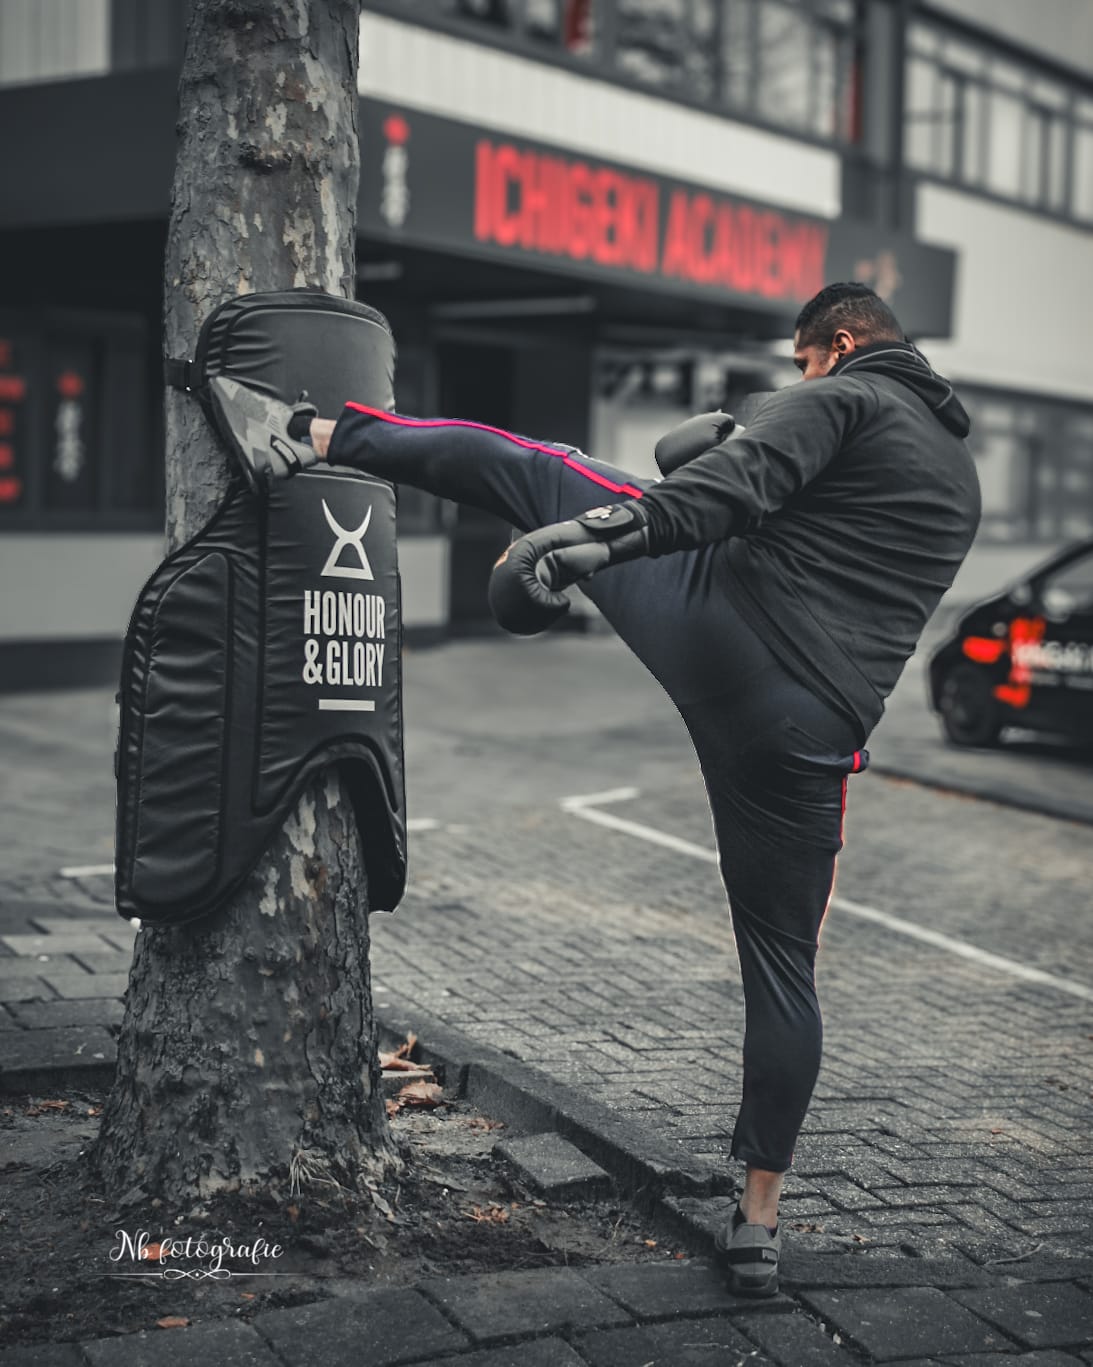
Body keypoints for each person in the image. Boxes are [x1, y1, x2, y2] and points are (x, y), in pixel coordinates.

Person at [210, 282, 981, 1296]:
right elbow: (753, 480)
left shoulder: (843, 397)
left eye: (801, 361)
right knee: (784, 965)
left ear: (837, 343)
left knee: (531, 465)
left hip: (722, 622)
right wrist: (718, 444)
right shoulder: (958, 478)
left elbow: (734, 487)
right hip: (811, 735)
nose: (797, 378)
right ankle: (757, 1217)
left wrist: (598, 536)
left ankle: (305, 431)